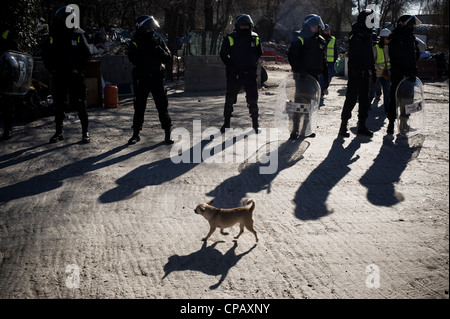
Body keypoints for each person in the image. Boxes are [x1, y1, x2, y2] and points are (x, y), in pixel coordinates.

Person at [42, 5, 91, 144]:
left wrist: (80, 69)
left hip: (75, 76)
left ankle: (85, 132)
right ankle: (58, 132)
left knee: (81, 103)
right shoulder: (54, 34)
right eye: (64, 18)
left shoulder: (78, 33)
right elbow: (46, 53)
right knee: (58, 105)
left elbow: (86, 53)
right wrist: (52, 69)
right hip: (59, 75)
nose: (66, 20)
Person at [127, 15, 173, 145]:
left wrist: (156, 48)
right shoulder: (135, 41)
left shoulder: (157, 40)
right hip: (142, 79)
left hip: (157, 78)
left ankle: (167, 133)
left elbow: (167, 57)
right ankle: (136, 134)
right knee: (139, 107)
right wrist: (145, 48)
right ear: (142, 28)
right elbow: (133, 59)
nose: (151, 30)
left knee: (162, 106)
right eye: (149, 28)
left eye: (152, 27)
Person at [219, 14, 263, 133]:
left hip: (250, 73)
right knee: (230, 99)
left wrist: (252, 63)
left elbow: (259, 52)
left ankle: (255, 124)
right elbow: (223, 54)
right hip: (235, 74)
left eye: (246, 25)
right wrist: (232, 66)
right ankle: (226, 123)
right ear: (238, 26)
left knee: (253, 100)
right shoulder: (230, 37)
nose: (244, 28)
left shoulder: (255, 37)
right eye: (242, 25)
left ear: (250, 26)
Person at [287, 14, 328, 139]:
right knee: (299, 103)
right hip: (302, 76)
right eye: (313, 26)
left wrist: (325, 77)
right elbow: (292, 55)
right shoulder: (300, 37)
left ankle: (305, 130)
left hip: (314, 76)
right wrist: (299, 70)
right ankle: (295, 130)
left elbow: (323, 60)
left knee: (310, 104)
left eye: (317, 26)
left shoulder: (320, 40)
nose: (315, 28)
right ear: (307, 25)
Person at [338, 9, 377, 138]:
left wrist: (372, 69)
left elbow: (368, 55)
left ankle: (362, 125)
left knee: (365, 100)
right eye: (371, 19)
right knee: (351, 99)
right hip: (357, 71)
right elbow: (355, 55)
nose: (373, 22)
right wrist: (356, 71)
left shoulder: (367, 34)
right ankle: (343, 126)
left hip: (365, 71)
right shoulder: (357, 34)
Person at [386, 15, 421, 135]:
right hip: (398, 74)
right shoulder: (395, 38)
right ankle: (391, 124)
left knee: (408, 100)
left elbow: (414, 55)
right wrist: (406, 71)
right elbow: (396, 57)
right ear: (403, 24)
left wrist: (413, 70)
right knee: (394, 100)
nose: (412, 27)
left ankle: (404, 124)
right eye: (410, 25)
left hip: (410, 75)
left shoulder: (411, 38)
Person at [0, 22, 18, 140]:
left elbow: (13, 45)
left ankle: (8, 129)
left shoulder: (5, 30)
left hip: (3, 70)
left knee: (7, 101)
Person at [370, 28, 391, 114]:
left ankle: (387, 109)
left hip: (386, 74)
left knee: (387, 93)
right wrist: (377, 69)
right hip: (377, 74)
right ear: (384, 38)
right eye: (388, 38)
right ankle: (366, 107)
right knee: (371, 92)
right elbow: (371, 62)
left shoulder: (390, 48)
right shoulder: (376, 48)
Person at [320, 24, 337, 96]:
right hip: (323, 62)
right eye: (326, 30)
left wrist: (335, 60)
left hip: (331, 62)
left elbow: (335, 50)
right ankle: (322, 92)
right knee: (322, 77)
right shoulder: (319, 39)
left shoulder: (333, 39)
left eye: (328, 30)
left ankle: (325, 87)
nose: (327, 31)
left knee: (330, 76)